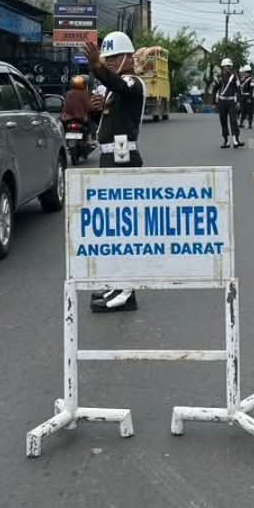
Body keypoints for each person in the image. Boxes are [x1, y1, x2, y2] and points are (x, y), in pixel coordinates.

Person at [85, 29, 146, 313]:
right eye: (106, 59)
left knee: (125, 229)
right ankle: (117, 283)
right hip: (110, 159)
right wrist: (95, 111)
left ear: (128, 58)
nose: (108, 63)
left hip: (124, 160)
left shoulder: (132, 82)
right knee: (114, 230)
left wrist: (97, 68)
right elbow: (106, 122)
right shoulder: (113, 87)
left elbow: (120, 85)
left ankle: (126, 291)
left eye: (113, 58)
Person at [213, 57, 244, 149]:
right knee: (223, 121)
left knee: (233, 121)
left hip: (231, 101)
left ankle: (235, 140)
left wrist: (239, 101)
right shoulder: (218, 77)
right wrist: (213, 103)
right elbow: (214, 90)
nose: (228, 68)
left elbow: (238, 89)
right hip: (222, 101)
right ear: (223, 67)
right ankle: (226, 141)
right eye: (227, 66)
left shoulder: (235, 76)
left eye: (230, 66)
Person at [237, 63, 254, 129]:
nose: (244, 73)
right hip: (243, 96)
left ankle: (250, 124)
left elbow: (251, 89)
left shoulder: (251, 79)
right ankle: (241, 123)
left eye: (245, 72)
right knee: (243, 110)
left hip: (249, 97)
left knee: (250, 111)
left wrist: (250, 98)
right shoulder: (242, 79)